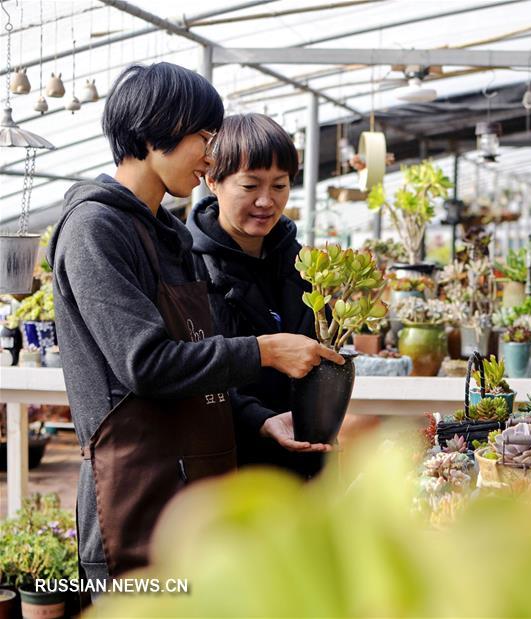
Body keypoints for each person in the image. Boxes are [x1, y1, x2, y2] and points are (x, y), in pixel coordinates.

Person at [47, 63, 343, 583]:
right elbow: (147, 364)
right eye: (203, 137)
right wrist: (264, 351)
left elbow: (195, 363)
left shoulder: (168, 234)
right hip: (137, 506)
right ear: (151, 132)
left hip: (196, 499)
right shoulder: (95, 229)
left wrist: (258, 419)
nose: (210, 156)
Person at [188, 113, 329, 479]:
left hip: (305, 460)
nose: (266, 201)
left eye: (279, 186)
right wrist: (259, 419)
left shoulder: (303, 263)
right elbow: (193, 370)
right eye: (250, 186)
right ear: (212, 181)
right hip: (230, 465)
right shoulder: (189, 267)